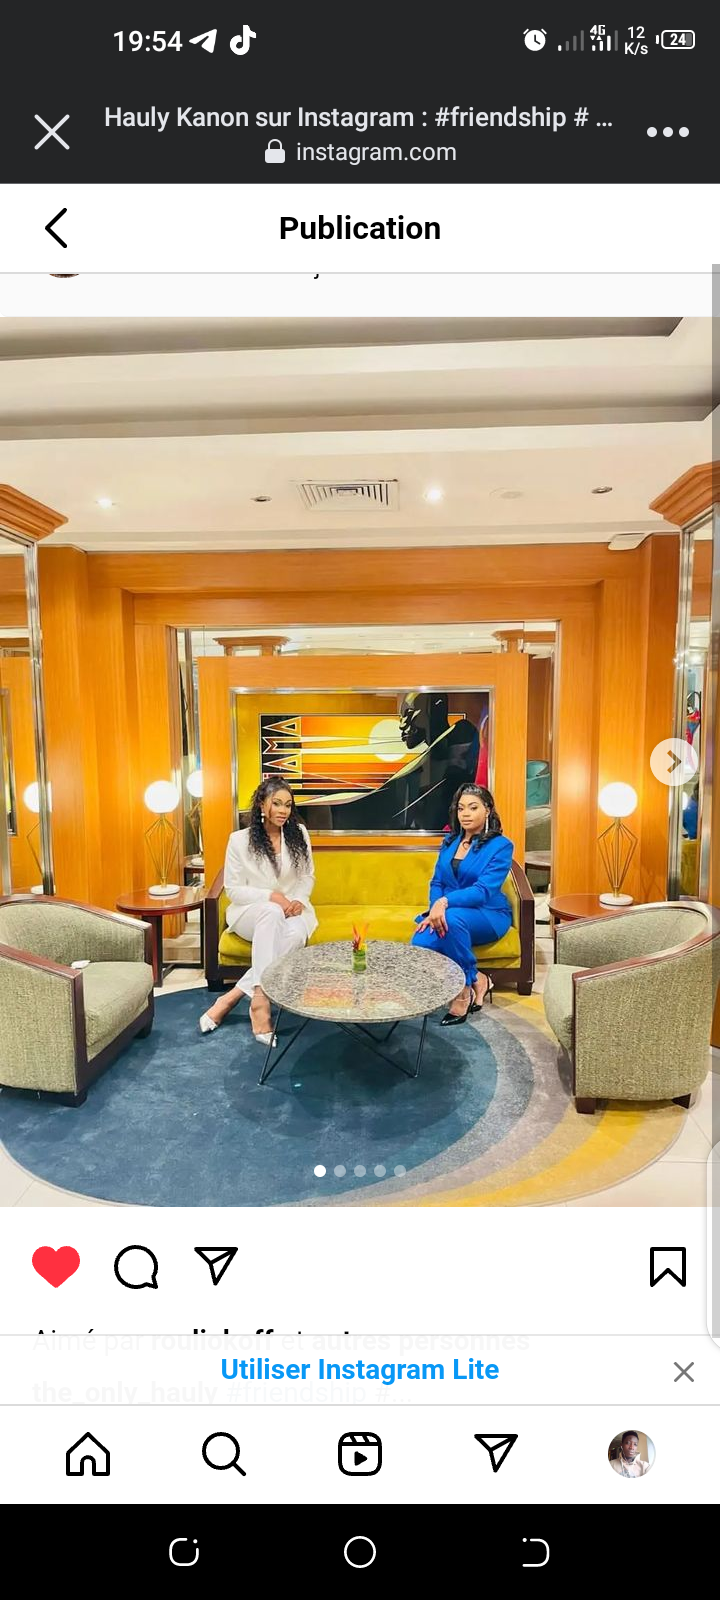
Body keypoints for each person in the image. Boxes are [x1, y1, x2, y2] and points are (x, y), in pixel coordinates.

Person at [199, 778, 317, 1046]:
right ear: (262, 805)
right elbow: (233, 890)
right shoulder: (239, 840)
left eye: (288, 805)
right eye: (277, 803)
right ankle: (261, 1000)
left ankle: (231, 997)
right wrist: (272, 897)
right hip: (249, 913)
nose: (283, 810)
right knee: (270, 912)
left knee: (297, 934)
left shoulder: (299, 833)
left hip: (291, 911)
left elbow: (307, 876)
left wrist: (298, 900)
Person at [411, 783, 513, 1025]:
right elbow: (437, 882)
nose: (465, 814)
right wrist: (435, 909)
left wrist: (444, 903)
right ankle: (479, 978)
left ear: (487, 810)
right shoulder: (450, 841)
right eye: (461, 808)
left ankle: (463, 991)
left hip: (487, 913)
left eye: (473, 807)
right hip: (450, 911)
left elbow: (483, 891)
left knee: (452, 920)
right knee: (420, 943)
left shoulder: (501, 846)